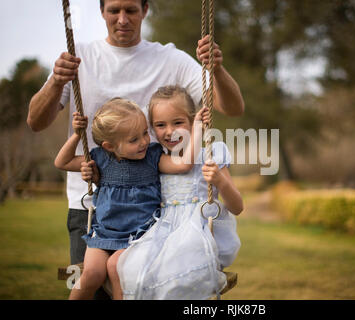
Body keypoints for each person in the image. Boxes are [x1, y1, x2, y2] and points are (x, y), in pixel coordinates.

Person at [26, 0, 244, 297]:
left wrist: (216, 70)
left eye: (130, 9)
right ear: (101, 12)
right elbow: (35, 122)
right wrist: (55, 81)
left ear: (145, 10)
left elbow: (231, 107)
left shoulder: (172, 60)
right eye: (114, 10)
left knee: (139, 291)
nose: (122, 18)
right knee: (90, 284)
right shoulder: (80, 57)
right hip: (90, 206)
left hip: (150, 215)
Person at [85, 85, 241, 299]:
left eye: (178, 122)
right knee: (123, 267)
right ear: (151, 128)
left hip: (194, 233)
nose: (169, 131)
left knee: (171, 277)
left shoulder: (212, 154)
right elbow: (118, 177)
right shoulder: (153, 159)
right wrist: (93, 175)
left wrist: (220, 181)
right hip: (157, 233)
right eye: (160, 125)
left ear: (193, 120)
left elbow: (237, 207)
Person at [54, 97, 207, 299]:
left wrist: (197, 128)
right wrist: (76, 135)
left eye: (145, 133)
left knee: (117, 269)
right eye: (134, 140)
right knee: (91, 274)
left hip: (138, 237)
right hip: (103, 234)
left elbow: (184, 165)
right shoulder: (101, 158)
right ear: (110, 146)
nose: (144, 141)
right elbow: (62, 162)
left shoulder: (153, 157)